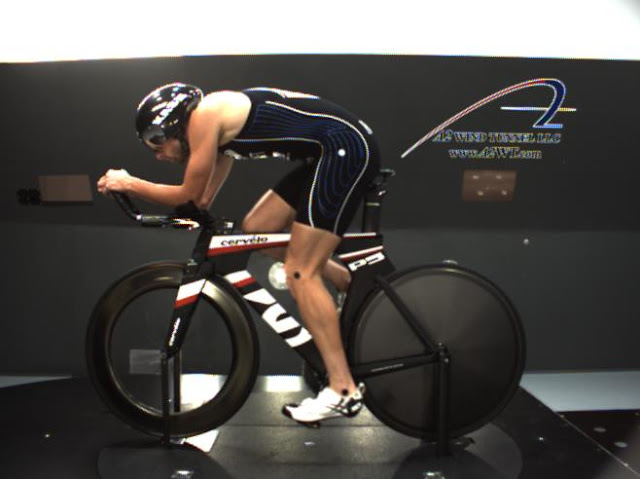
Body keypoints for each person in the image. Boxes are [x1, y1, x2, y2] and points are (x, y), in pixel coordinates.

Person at [97, 83, 381, 424]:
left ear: (172, 125)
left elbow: (187, 193)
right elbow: (200, 200)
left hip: (345, 148)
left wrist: (129, 183)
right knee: (259, 227)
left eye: (157, 144)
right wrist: (187, 212)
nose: (159, 156)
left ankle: (343, 390)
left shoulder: (203, 117)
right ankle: (344, 281)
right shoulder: (213, 130)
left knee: (299, 272)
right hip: (333, 150)